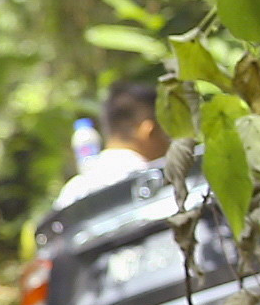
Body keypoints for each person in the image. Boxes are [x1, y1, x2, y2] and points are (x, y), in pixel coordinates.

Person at [50, 78, 170, 209]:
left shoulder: (74, 189)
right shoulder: (150, 180)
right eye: (167, 134)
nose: (170, 143)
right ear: (149, 131)